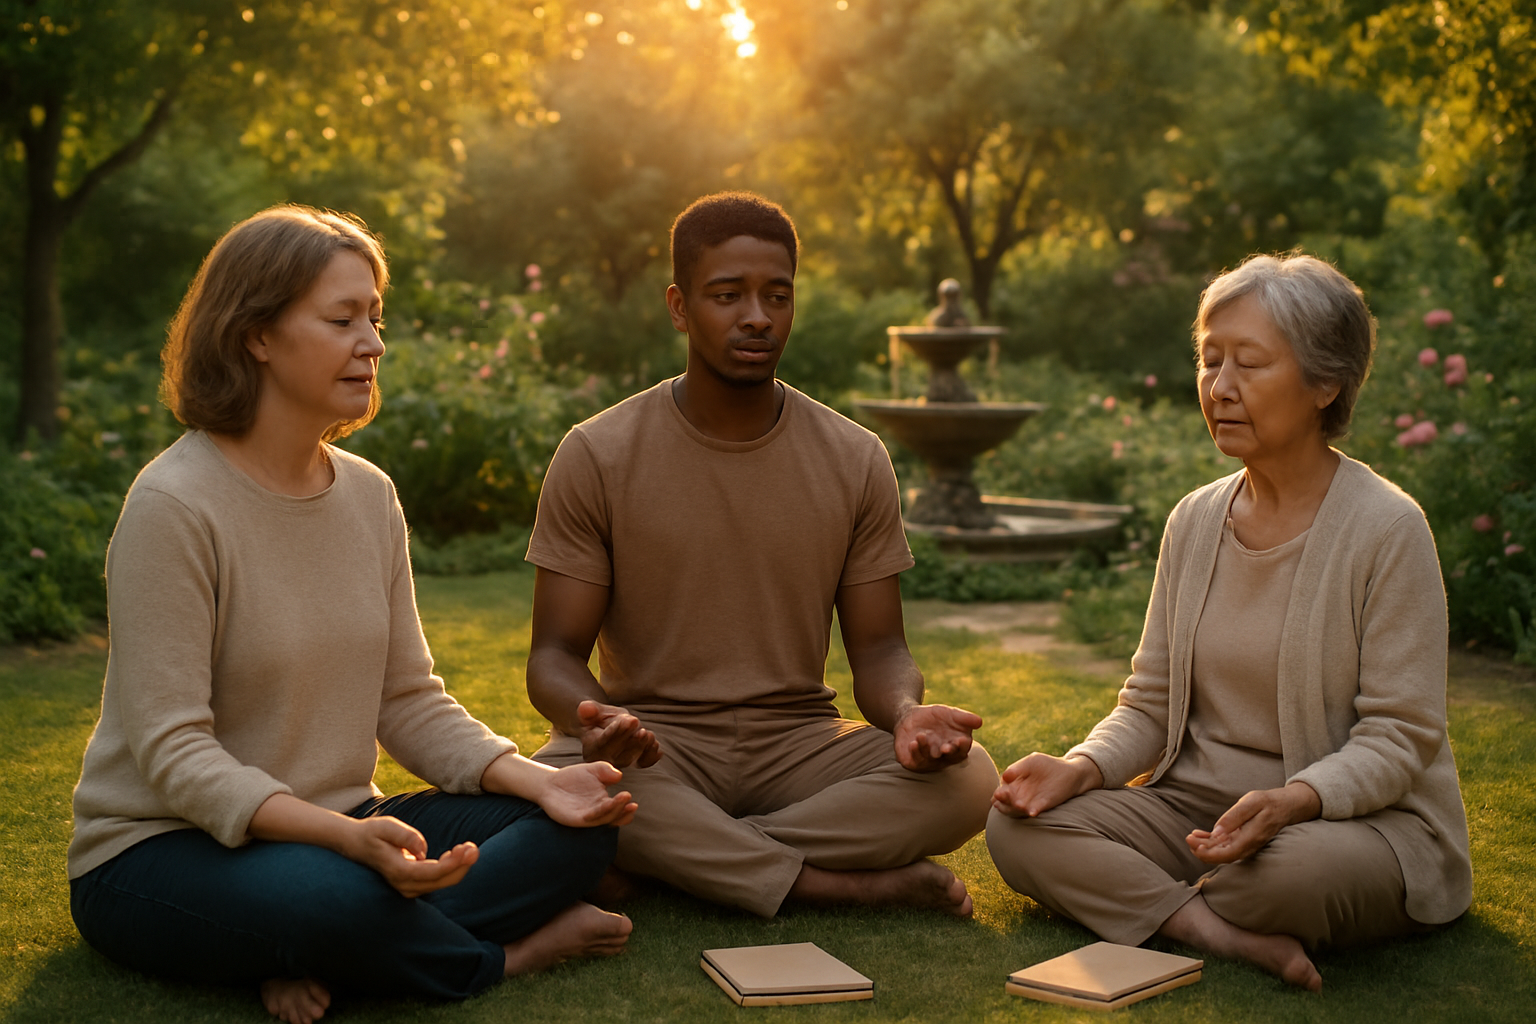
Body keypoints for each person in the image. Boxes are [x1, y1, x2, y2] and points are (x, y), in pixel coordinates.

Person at [68, 205, 635, 1024]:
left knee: (578, 828)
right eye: (342, 320)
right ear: (256, 334)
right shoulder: (173, 506)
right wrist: (339, 843)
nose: (373, 344)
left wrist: (543, 782)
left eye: (374, 318)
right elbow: (174, 751)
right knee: (328, 898)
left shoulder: (368, 497)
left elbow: (407, 698)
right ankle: (501, 956)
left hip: (343, 826)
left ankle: (316, 949)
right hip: (162, 849)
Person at [986, 254, 1473, 990]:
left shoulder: (1386, 528)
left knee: (1284, 877)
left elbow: (1401, 735)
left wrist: (1294, 801)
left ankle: (1166, 898)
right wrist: (1081, 768)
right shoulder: (1196, 519)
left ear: (1325, 383)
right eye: (1209, 362)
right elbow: (1149, 701)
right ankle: (1213, 929)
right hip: (1192, 811)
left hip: (1344, 827)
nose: (1220, 387)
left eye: (1249, 363)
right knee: (1017, 826)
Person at [524, 191, 999, 919]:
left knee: (969, 781)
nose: (757, 316)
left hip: (801, 743)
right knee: (555, 775)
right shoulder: (598, 453)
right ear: (680, 307)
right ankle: (831, 884)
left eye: (777, 296)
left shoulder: (853, 457)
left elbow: (879, 650)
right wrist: (589, 716)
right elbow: (553, 654)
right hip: (657, 744)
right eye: (728, 295)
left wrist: (906, 714)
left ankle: (683, 862)